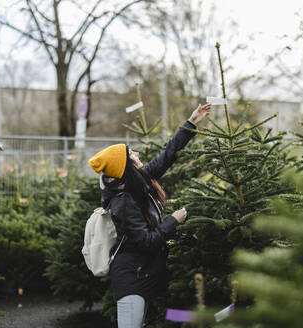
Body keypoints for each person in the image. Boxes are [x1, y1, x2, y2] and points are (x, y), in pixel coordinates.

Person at [88, 103, 211, 328]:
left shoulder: (138, 181)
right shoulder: (123, 202)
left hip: (143, 272)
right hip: (131, 278)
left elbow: (168, 155)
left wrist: (191, 122)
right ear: (126, 166)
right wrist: (174, 220)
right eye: (131, 154)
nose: (136, 153)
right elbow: (146, 242)